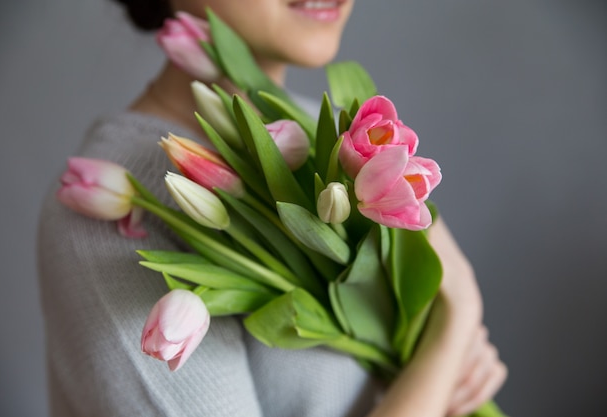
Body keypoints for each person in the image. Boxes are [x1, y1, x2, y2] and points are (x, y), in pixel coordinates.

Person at [37, 1, 507, 416]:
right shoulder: (107, 219)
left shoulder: (332, 142)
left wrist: (435, 377)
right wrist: (453, 324)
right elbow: (438, 349)